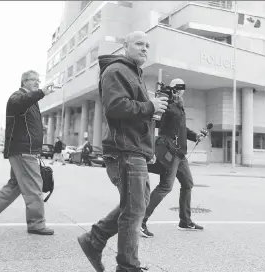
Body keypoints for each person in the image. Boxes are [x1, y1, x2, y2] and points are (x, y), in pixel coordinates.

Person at [76, 31, 168, 272]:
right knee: (135, 209)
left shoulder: (134, 73)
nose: (144, 48)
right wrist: (150, 106)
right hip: (124, 150)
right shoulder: (117, 70)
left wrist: (150, 115)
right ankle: (128, 266)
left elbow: (135, 112)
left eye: (147, 45)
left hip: (135, 150)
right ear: (125, 46)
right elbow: (115, 107)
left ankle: (94, 240)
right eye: (139, 43)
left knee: (137, 204)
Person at [0, 70, 55, 236]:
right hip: (24, 151)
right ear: (24, 81)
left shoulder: (30, 100)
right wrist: (41, 93)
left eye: (38, 81)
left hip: (24, 149)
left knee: (15, 185)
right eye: (33, 80)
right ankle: (36, 224)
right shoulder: (17, 97)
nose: (37, 83)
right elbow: (21, 103)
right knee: (33, 186)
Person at [140, 78, 206, 238]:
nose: (181, 91)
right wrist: (163, 95)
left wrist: (195, 136)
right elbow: (157, 115)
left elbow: (182, 129)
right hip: (170, 151)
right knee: (165, 186)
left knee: (187, 183)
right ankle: (140, 220)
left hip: (180, 153)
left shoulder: (179, 107)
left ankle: (185, 221)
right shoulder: (167, 104)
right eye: (178, 88)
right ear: (174, 89)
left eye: (182, 88)